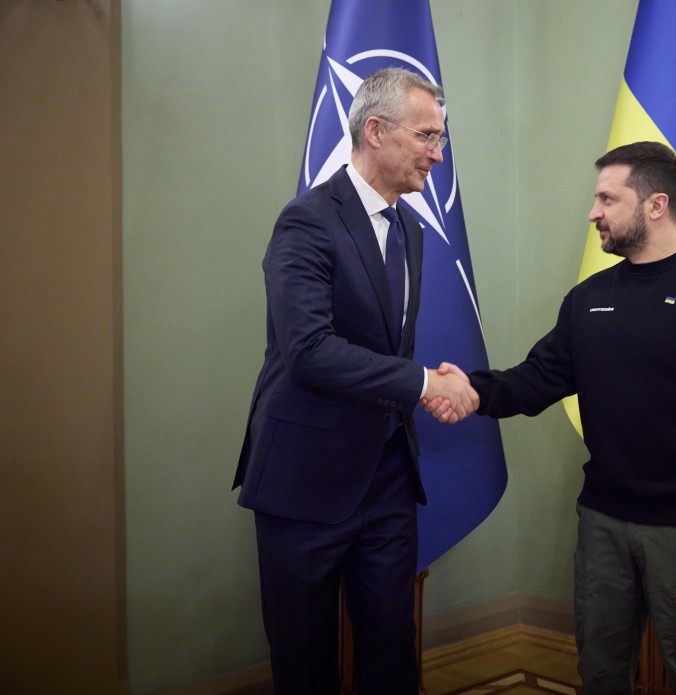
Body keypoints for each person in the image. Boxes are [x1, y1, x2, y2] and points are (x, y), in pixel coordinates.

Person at [427, 141, 676, 694]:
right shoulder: (588, 298)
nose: (594, 212)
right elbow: (536, 378)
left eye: (607, 199)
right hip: (603, 523)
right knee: (598, 670)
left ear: (655, 205)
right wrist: (468, 389)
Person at [233, 67, 477, 695]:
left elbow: (381, 346)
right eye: (427, 136)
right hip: (305, 479)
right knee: (307, 660)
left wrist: (428, 384)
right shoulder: (306, 221)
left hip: (389, 476)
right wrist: (423, 383)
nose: (437, 153)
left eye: (440, 139)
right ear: (375, 130)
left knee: (392, 649)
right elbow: (310, 351)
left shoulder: (413, 230)